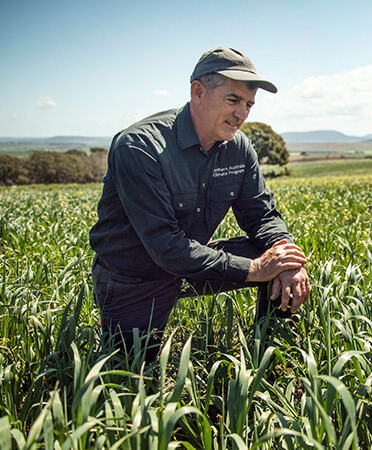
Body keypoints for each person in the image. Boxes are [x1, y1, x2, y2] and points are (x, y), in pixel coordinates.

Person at [89, 47, 310, 361]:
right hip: (135, 277)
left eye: (248, 104)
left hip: (192, 263)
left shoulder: (239, 147)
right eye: (233, 100)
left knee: (281, 260)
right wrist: (254, 269)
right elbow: (165, 246)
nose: (242, 115)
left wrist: (286, 257)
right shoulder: (139, 146)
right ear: (198, 92)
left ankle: (271, 360)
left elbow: (261, 214)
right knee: (130, 375)